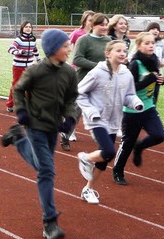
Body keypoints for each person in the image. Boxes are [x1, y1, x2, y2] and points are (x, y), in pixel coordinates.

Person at [0, 29, 76, 239]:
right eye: (65, 45)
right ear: (53, 49)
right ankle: (49, 221)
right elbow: (18, 90)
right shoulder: (36, 71)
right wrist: (21, 111)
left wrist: (70, 118)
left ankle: (16, 138)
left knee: (42, 165)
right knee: (46, 171)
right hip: (34, 125)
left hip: (53, 127)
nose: (69, 48)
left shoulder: (69, 73)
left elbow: (71, 99)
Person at [76, 40, 143, 203]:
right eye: (118, 50)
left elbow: (129, 95)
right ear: (108, 54)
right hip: (97, 119)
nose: (122, 53)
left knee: (105, 160)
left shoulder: (126, 74)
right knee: (109, 152)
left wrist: (136, 103)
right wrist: (91, 111)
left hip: (114, 121)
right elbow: (79, 93)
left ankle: (88, 189)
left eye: (124, 51)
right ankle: (85, 157)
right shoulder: (97, 73)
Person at [112, 32, 164, 185]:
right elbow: (129, 89)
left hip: (148, 107)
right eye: (147, 43)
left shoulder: (154, 60)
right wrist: (149, 79)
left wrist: (161, 81)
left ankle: (140, 146)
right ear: (139, 46)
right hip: (132, 110)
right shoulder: (135, 64)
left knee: (159, 135)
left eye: (152, 43)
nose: (151, 46)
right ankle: (118, 170)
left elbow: (154, 81)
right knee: (127, 142)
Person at [67, 13, 111, 151]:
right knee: (77, 109)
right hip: (84, 79)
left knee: (101, 108)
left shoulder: (108, 40)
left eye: (106, 25)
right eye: (101, 24)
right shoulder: (83, 40)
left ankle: (99, 136)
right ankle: (66, 132)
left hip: (102, 82)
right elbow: (77, 59)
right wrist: (98, 66)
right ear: (93, 25)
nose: (104, 27)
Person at [5, 21, 40, 112]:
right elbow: (10, 49)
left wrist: (39, 59)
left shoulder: (33, 39)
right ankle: (10, 104)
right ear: (22, 28)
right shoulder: (19, 39)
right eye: (26, 27)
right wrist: (19, 52)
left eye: (29, 27)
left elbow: (35, 49)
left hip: (30, 66)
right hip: (18, 66)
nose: (28, 28)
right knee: (16, 85)